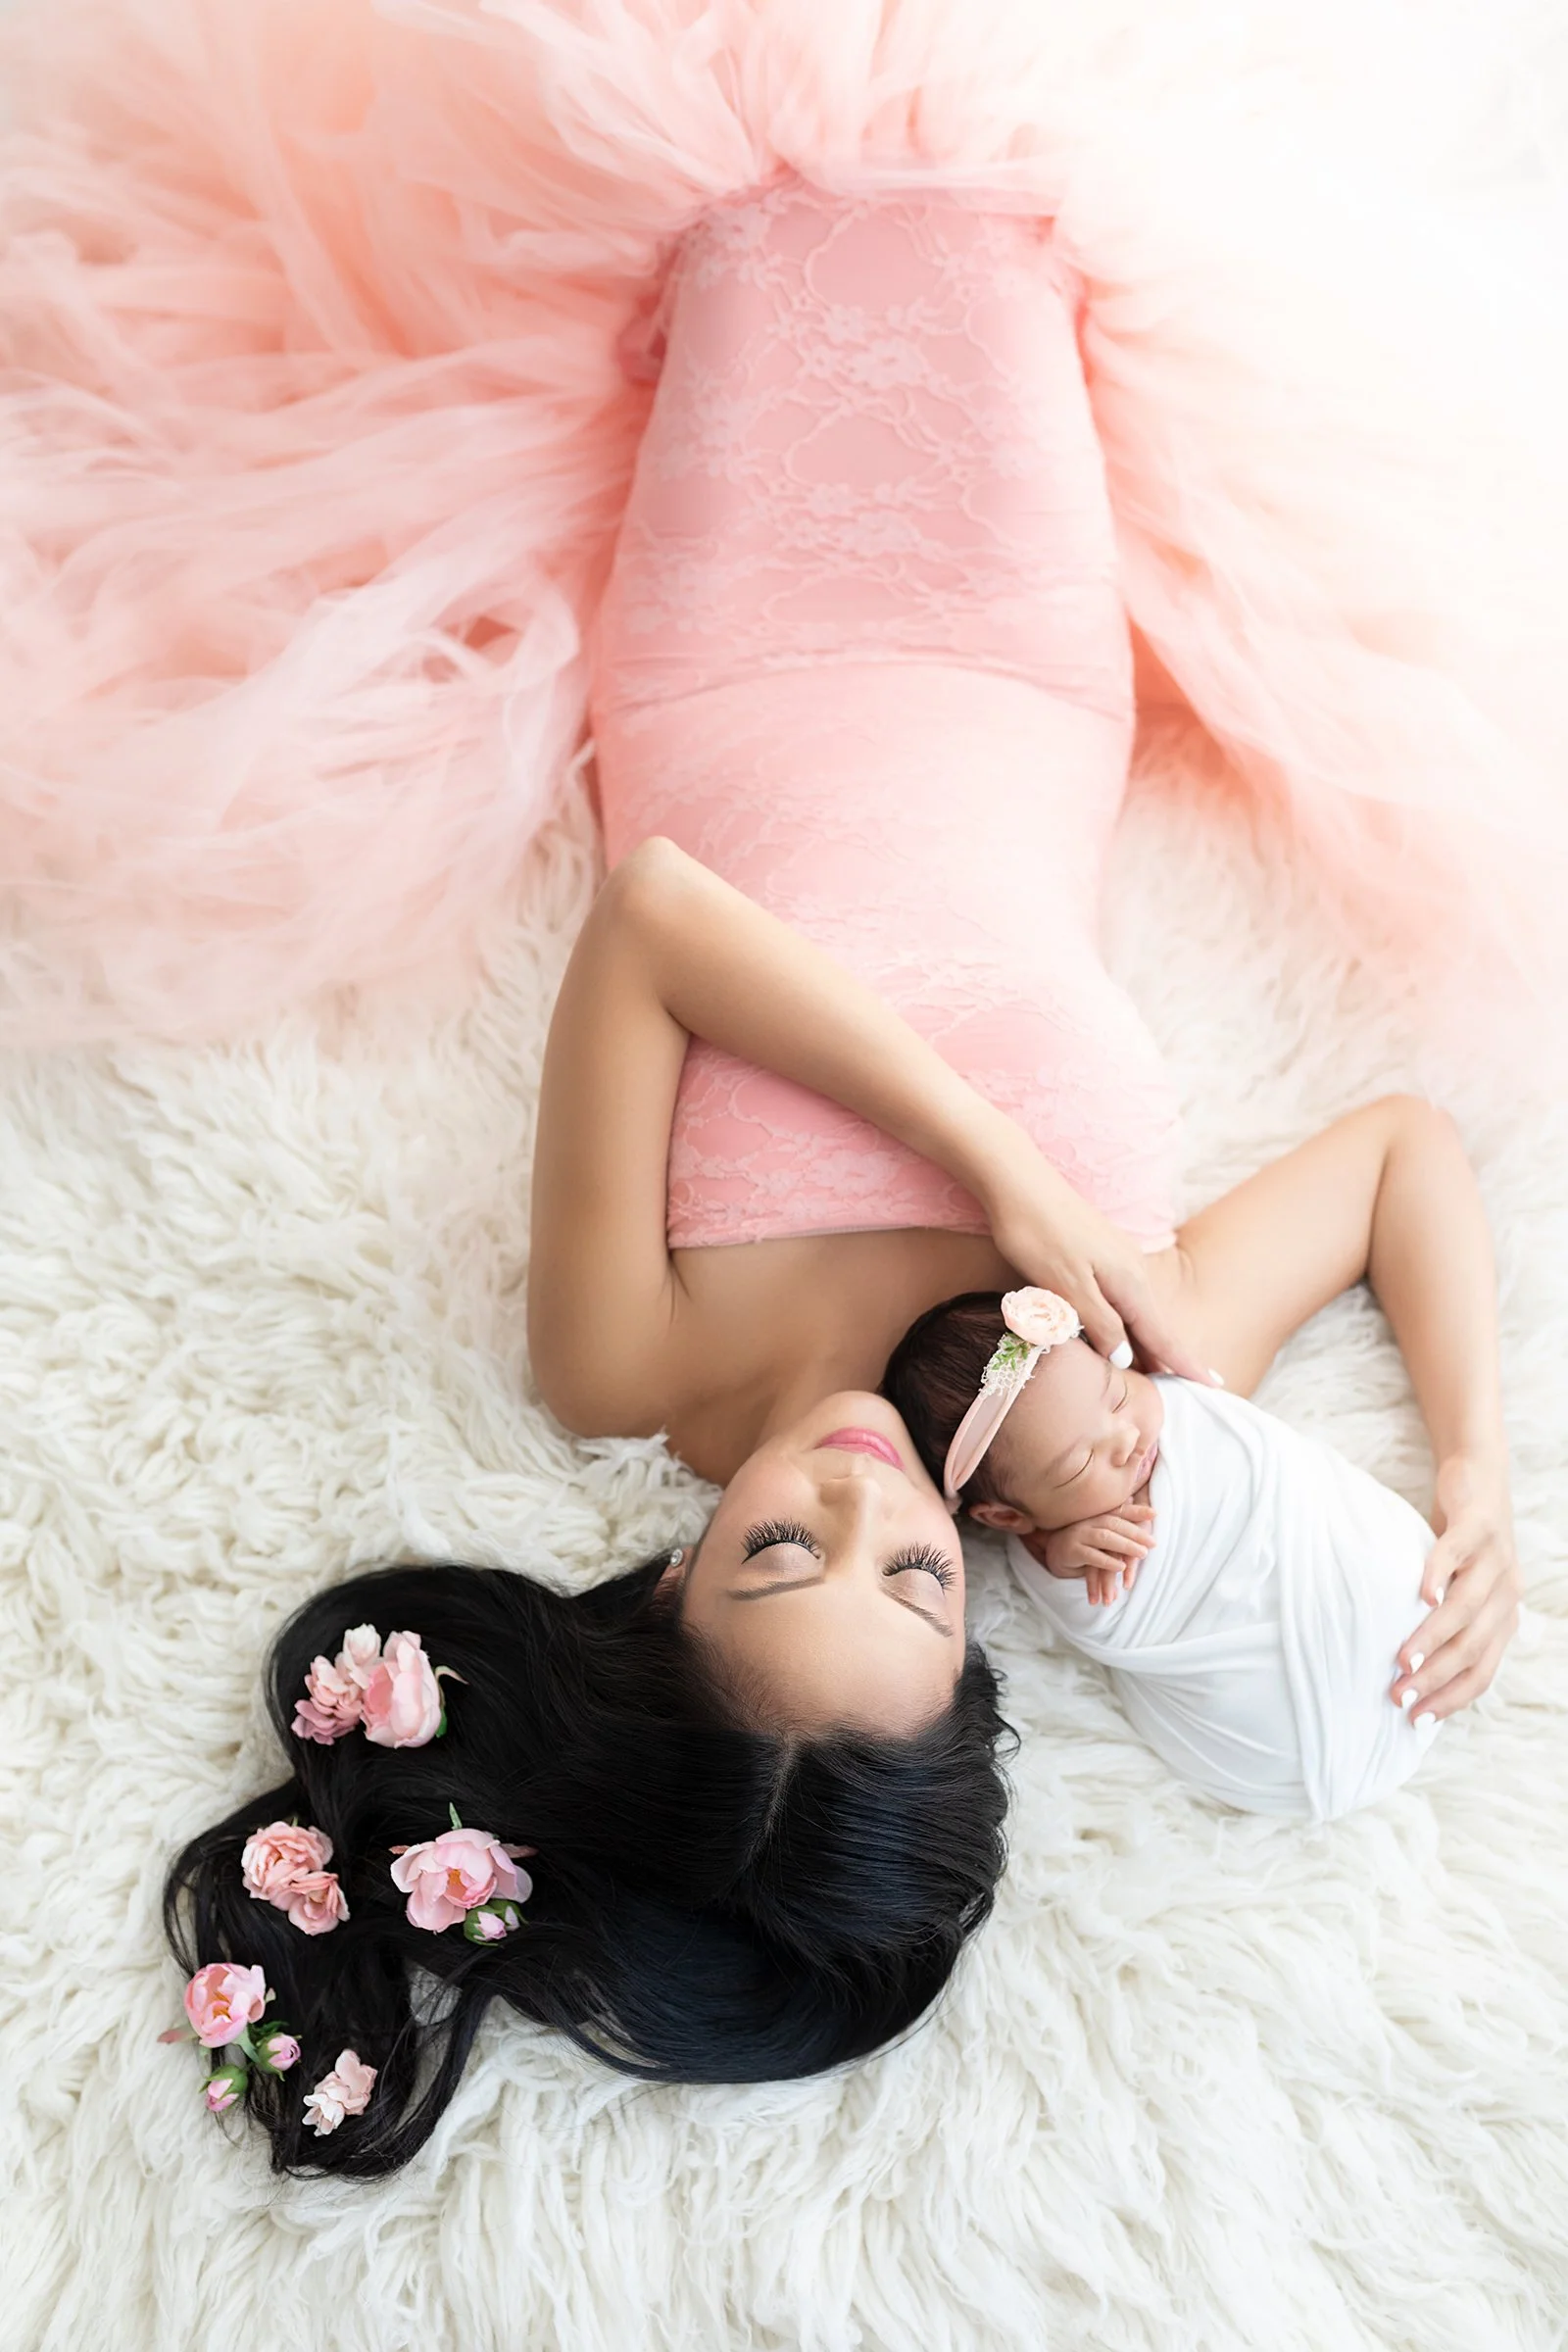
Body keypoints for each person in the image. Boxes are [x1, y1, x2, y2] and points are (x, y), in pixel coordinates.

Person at [164, 180, 1520, 2168]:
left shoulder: (629, 1367)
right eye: (916, 1580)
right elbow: (1401, 1152)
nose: (863, 1494)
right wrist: (1471, 1475)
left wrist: (997, 1164)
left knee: (758, 192)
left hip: (734, 652)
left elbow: (651, 913)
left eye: (777, 1551)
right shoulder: (1108, 1397)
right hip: (1017, 655)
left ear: (670, 1578)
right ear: (979, 1634)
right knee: (1009, 210)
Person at [881, 1093, 1516, 1821]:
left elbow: (1411, 1132)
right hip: (1288, 1751)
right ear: (1006, 1517)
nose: (1126, 1439)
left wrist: (1476, 1473)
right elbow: (1096, 1608)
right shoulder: (1060, 1550)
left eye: (1116, 1394)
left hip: (1378, 1612)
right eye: (1079, 1466)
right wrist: (1063, 1558)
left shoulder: (1173, 1360)